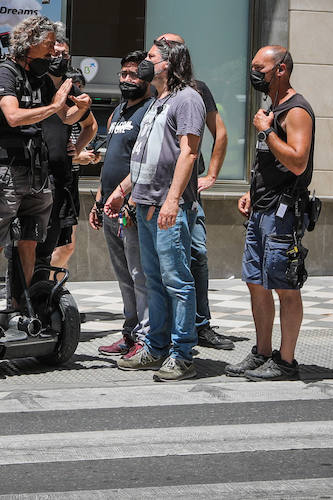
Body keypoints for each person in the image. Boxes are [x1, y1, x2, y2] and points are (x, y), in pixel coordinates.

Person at [103, 38, 203, 382]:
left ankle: (183, 353)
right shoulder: (159, 100)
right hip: (144, 205)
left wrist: (173, 200)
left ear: (169, 63)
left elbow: (189, 153)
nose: (146, 63)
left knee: (177, 281)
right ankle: (156, 348)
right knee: (155, 281)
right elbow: (144, 157)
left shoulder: (188, 98)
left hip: (166, 207)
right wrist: (123, 192)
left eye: (151, 57)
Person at [0, 17, 85, 293]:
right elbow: (12, 116)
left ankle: (22, 305)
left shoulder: (40, 78)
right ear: (29, 43)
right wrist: (55, 106)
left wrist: (82, 108)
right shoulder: (4, 74)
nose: (52, 51)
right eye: (48, 45)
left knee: (30, 241)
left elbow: (65, 115)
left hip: (38, 172)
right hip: (8, 170)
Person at [227, 46, 316, 381]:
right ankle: (262, 352)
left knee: (285, 287)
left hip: (283, 213)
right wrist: (251, 191)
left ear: (281, 69)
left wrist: (266, 131)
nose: (254, 75)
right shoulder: (272, 108)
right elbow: (268, 162)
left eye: (259, 69)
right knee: (255, 283)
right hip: (261, 210)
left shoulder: (296, 111)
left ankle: (286, 361)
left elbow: (297, 161)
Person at [154, 32, 234, 351]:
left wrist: (212, 173)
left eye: (170, 46)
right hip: (152, 192)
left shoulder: (195, 92)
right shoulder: (153, 91)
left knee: (196, 254)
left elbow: (221, 133)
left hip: (186, 193)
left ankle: (200, 325)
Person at [87, 51, 154, 359]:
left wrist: (125, 197)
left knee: (140, 274)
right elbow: (110, 161)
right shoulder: (118, 113)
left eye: (134, 74)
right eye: (123, 74)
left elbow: (146, 164)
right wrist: (99, 200)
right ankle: (129, 333)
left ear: (147, 78)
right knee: (123, 275)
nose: (127, 79)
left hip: (133, 208)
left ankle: (145, 337)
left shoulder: (150, 112)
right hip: (110, 207)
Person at [37, 35, 97, 274]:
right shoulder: (34, 83)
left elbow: (89, 125)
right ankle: (35, 286)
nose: (59, 57)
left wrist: (77, 149)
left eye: (64, 54)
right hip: (36, 177)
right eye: (54, 53)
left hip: (65, 178)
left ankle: (47, 287)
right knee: (33, 243)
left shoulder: (71, 88)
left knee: (65, 243)